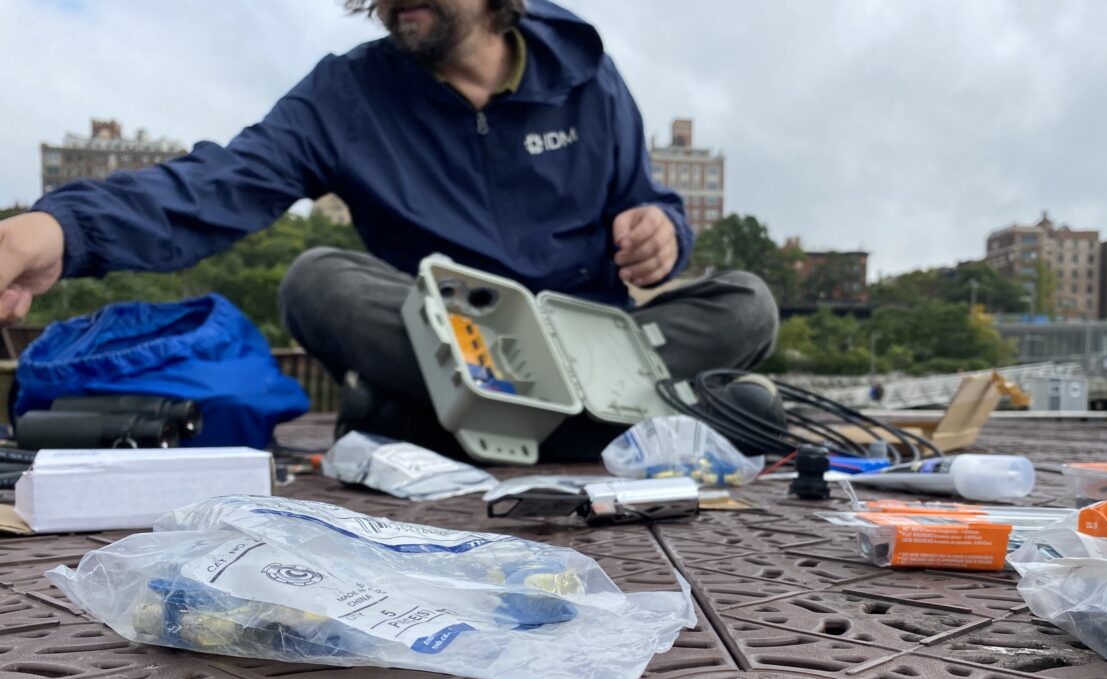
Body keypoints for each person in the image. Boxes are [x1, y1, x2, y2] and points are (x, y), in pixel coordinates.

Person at [0, 0, 778, 457]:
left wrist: (663, 231)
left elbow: (642, 197)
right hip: (461, 345)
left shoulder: (586, 70)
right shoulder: (346, 94)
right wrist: (56, 230)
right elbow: (216, 185)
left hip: (593, 339)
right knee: (317, 282)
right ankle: (622, 433)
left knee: (747, 303)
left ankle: (451, 427)